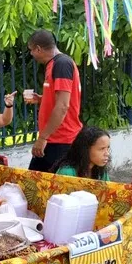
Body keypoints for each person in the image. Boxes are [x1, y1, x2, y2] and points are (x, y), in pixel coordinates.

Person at [24, 29, 83, 172]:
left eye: (31, 50)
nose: (31, 54)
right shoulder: (54, 64)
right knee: (35, 185)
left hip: (60, 139)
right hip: (54, 137)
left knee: (39, 186)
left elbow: (63, 106)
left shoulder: (61, 64)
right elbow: (62, 98)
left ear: (38, 49)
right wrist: (42, 99)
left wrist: (43, 138)